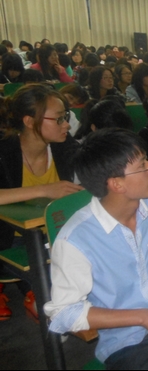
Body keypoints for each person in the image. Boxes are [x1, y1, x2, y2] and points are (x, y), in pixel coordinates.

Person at [43, 128, 148, 369]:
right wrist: (144, 317)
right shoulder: (75, 239)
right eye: (142, 165)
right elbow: (64, 313)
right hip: (129, 340)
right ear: (116, 184)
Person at [0, 84, 83, 321]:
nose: (67, 125)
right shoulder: (4, 150)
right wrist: (44, 190)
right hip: (12, 240)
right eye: (59, 119)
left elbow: (91, 162)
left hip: (57, 235)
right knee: (55, 295)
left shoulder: (63, 146)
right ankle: (36, 294)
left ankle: (35, 293)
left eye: (66, 117)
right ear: (29, 121)